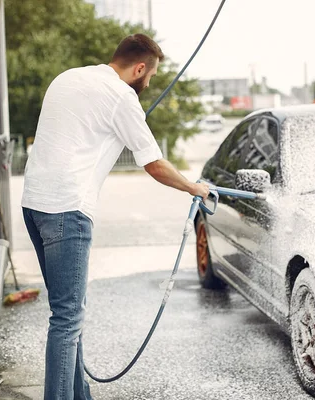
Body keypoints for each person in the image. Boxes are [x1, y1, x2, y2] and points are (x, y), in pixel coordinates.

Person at [21, 33, 210, 400]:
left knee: (68, 315)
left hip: (34, 205)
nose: (149, 82)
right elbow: (154, 165)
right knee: (67, 319)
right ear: (140, 68)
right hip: (67, 211)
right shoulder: (122, 97)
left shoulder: (69, 78)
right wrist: (193, 188)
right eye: (151, 76)